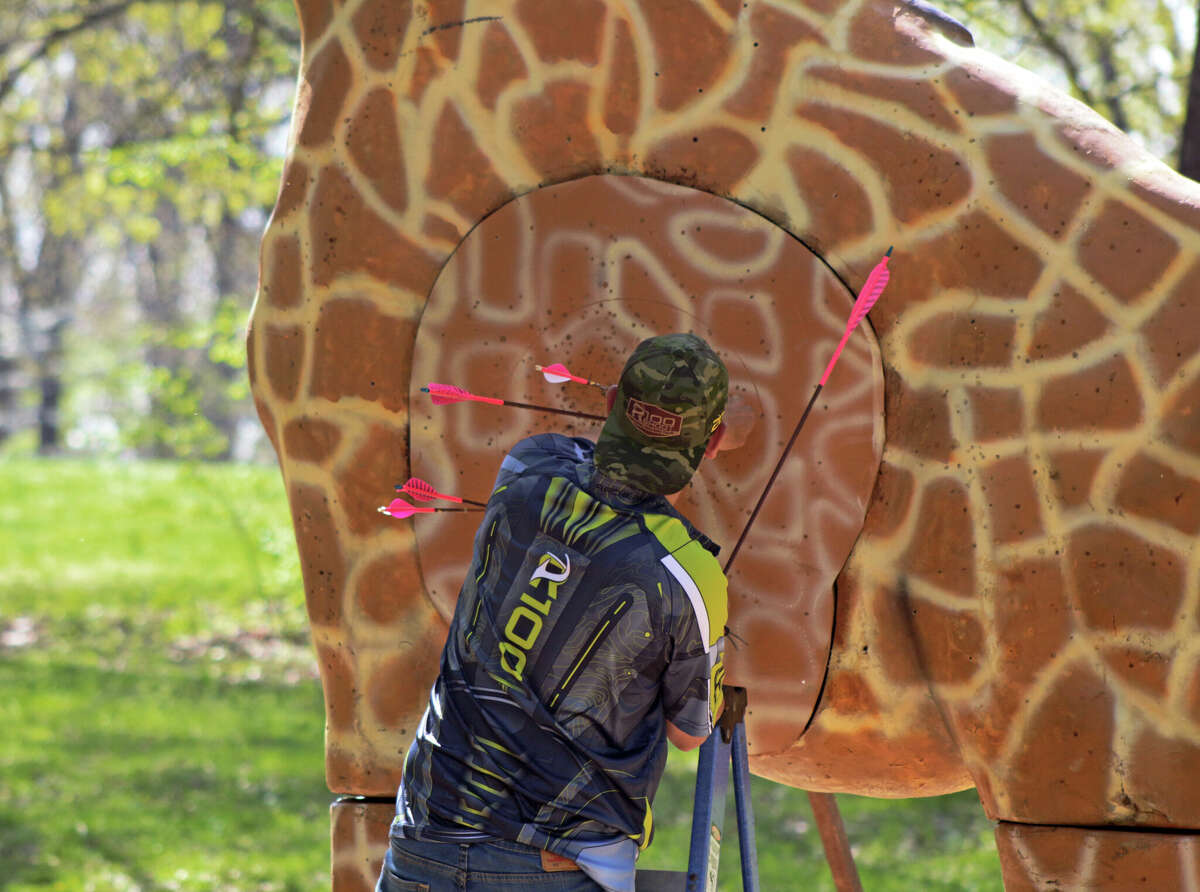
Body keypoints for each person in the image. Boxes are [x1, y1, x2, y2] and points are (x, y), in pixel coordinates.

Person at [378, 333, 750, 892]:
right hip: (555, 867)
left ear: (607, 405)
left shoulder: (526, 468)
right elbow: (689, 732)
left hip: (422, 843)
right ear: (715, 440)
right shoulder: (689, 574)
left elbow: (579, 464)